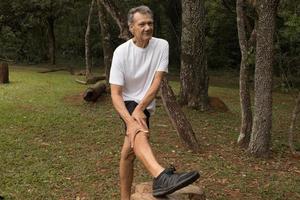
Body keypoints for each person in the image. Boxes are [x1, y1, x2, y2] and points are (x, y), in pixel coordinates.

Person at [109, 5, 200, 199]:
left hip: (145, 103)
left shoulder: (161, 45)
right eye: (142, 24)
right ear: (131, 27)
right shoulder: (121, 53)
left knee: (128, 153)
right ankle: (160, 176)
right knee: (138, 130)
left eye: (150, 23)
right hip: (126, 103)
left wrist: (141, 109)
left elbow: (157, 81)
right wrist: (130, 120)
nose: (147, 28)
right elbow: (115, 93)